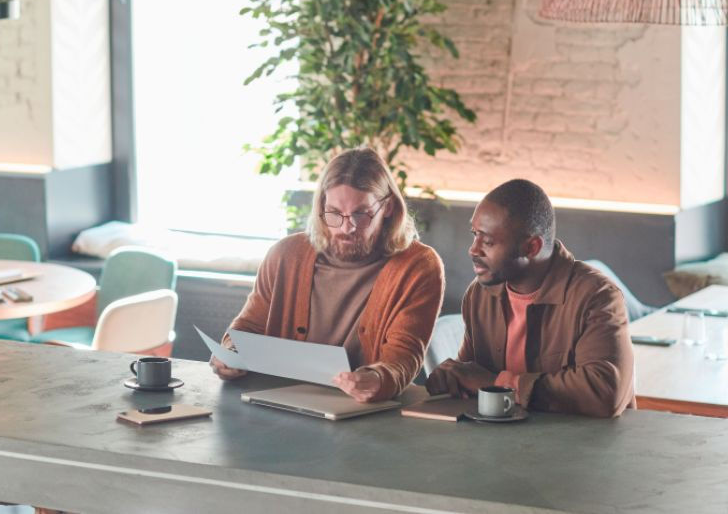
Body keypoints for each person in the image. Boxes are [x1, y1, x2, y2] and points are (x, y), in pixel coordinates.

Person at [211, 148, 445, 403]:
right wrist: (230, 352)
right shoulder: (286, 254)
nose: (347, 227)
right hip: (276, 401)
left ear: (387, 207)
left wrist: (378, 378)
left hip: (359, 410)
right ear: (321, 206)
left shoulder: (418, 266)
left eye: (361, 214)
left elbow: (404, 355)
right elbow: (248, 328)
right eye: (334, 213)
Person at [426, 179, 635, 417]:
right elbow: (471, 377)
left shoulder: (596, 296)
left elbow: (606, 392)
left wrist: (500, 383)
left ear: (531, 247)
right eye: (474, 235)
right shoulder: (480, 294)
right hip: (503, 444)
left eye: (487, 241)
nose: (473, 250)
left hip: (585, 448)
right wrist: (452, 377)